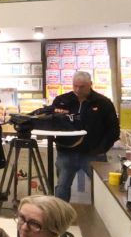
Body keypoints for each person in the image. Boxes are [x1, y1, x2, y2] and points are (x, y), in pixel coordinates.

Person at [46, 70, 119, 202]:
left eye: (82, 86)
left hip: (93, 154)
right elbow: (53, 123)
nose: (78, 89)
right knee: (62, 188)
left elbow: (113, 130)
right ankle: (60, 217)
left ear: (90, 84)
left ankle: (104, 218)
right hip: (66, 153)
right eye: (75, 86)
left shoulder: (103, 103)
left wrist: (101, 149)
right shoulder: (61, 100)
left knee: (103, 189)